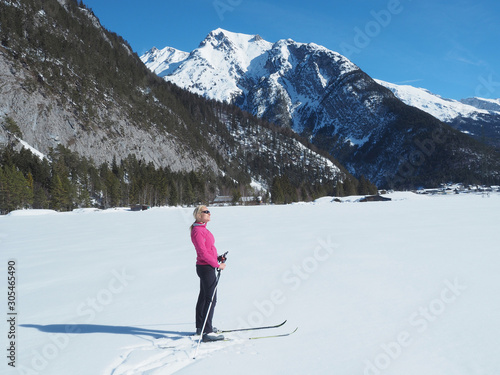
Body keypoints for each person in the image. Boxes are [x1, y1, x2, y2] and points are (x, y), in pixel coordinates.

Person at [190, 205, 226, 342]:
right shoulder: (198, 231)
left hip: (206, 266)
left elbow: (208, 250)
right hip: (205, 267)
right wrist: (217, 265)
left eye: (209, 211)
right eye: (206, 212)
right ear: (199, 215)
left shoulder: (202, 229)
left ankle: (202, 326)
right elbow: (202, 253)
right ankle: (207, 331)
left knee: (204, 297)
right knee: (211, 299)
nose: (209, 213)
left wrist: (217, 257)